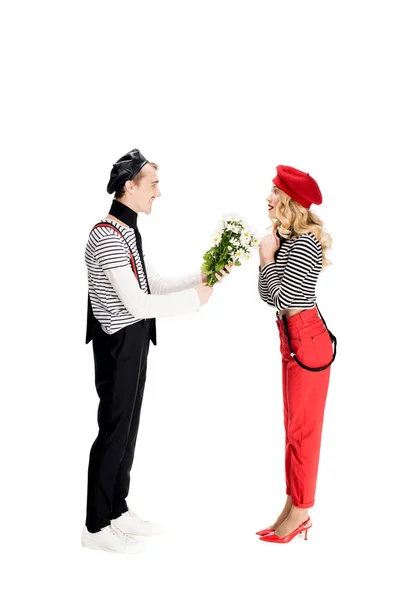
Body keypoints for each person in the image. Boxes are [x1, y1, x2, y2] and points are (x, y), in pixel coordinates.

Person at [82, 148, 232, 554]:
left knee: (128, 429)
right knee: (113, 431)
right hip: (117, 344)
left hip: (135, 341)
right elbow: (137, 304)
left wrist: (199, 277)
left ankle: (117, 508)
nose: (158, 193)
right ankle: (96, 526)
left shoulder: (128, 231)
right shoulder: (105, 234)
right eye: (153, 184)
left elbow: (151, 283)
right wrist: (195, 301)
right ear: (128, 186)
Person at [256, 165, 335, 544]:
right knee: (293, 430)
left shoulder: (302, 242)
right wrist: (268, 255)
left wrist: (266, 258)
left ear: (289, 200)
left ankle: (301, 512)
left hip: (306, 338)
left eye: (273, 192)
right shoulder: (285, 239)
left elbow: (283, 296)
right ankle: (291, 506)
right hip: (292, 337)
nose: (268, 198)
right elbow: (267, 295)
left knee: (303, 431)